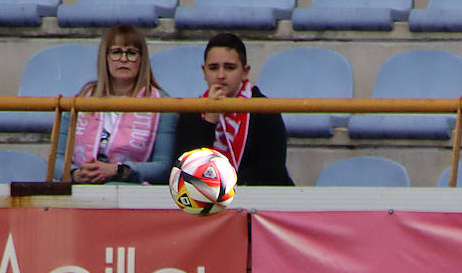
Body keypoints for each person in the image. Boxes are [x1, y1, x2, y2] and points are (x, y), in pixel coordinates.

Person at [54, 24, 175, 184]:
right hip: (83, 188)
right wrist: (75, 173)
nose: (123, 59)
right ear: (105, 57)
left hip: (131, 191)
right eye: (116, 52)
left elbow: (164, 167)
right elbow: (56, 161)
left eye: (131, 53)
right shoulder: (81, 99)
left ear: (142, 59)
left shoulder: (162, 103)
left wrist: (119, 170)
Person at [173, 31, 293, 186]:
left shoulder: (264, 110)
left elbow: (271, 171)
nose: (221, 75)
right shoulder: (191, 112)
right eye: (214, 68)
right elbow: (186, 173)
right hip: (205, 198)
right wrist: (209, 122)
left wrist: (225, 186)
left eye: (229, 68)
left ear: (245, 72)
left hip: (260, 199)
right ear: (204, 72)